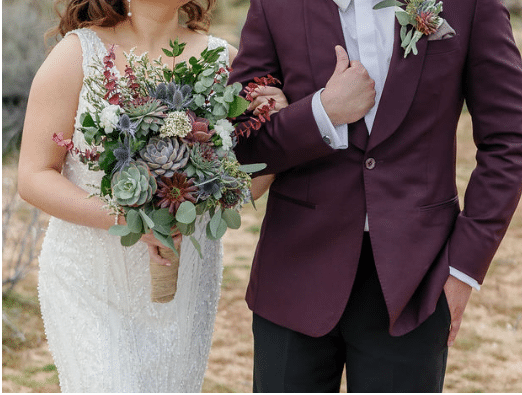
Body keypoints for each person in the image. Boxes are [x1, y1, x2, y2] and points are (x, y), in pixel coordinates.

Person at [229, 0, 522, 392]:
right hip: (293, 274)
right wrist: (322, 113)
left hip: (418, 281)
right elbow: (239, 144)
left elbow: (509, 139)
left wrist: (462, 271)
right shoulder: (274, 5)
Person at [17, 0, 285, 392]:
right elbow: (33, 176)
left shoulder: (225, 62)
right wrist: (128, 220)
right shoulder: (77, 54)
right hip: (92, 283)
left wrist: (277, 129)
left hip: (186, 282)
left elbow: (241, 187)